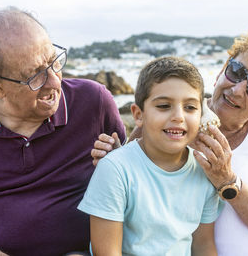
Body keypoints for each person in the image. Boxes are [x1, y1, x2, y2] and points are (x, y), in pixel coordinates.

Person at [91, 27, 248, 255]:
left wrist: (227, 180)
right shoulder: (169, 123)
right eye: (237, 71)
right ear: (222, 70)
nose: (238, 89)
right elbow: (133, 176)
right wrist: (117, 157)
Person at [0, 7, 126, 256]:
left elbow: (135, 190)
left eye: (54, 62)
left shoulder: (94, 101)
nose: (54, 82)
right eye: (34, 75)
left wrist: (119, 164)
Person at [78, 56, 221, 256]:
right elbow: (107, 252)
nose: (178, 116)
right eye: (163, 106)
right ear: (138, 115)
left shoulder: (202, 171)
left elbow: (203, 246)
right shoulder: (115, 169)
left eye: (190, 107)